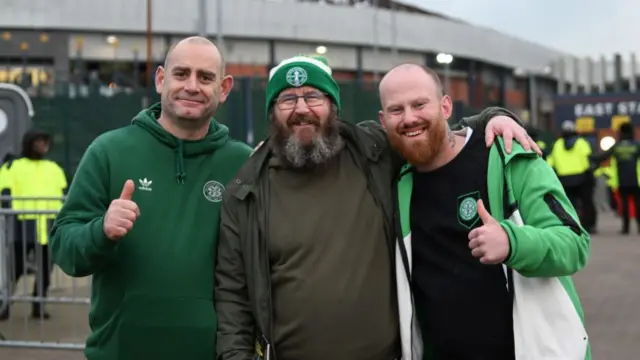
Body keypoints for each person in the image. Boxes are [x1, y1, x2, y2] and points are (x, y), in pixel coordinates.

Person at [214, 55, 538, 360]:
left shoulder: (373, 154)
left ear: (333, 106)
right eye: (287, 100)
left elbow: (428, 130)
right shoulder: (246, 192)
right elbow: (233, 297)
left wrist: (492, 117)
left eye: (313, 96)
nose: (302, 109)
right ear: (272, 113)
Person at [49, 36, 252, 360]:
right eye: (181, 73)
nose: (192, 86)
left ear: (224, 88)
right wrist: (100, 231)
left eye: (205, 77)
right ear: (161, 79)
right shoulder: (109, 151)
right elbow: (63, 249)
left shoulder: (244, 164)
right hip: (120, 352)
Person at [379, 63, 590, 360]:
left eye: (419, 104)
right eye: (396, 109)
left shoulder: (509, 157)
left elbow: (575, 244)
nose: (409, 118)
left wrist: (512, 242)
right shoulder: (396, 182)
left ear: (446, 106)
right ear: (383, 119)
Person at [0, 130, 67, 320]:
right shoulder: (12, 166)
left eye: (45, 142)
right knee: (15, 269)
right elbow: (4, 194)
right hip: (21, 225)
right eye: (38, 142)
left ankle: (38, 305)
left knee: (45, 270)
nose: (43, 145)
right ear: (28, 143)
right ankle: (4, 305)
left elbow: (62, 194)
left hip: (48, 226)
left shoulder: (54, 168)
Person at [547, 120, 596, 233]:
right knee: (586, 203)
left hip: (564, 179)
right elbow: (588, 159)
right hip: (582, 178)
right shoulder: (581, 142)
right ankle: (589, 226)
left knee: (569, 204)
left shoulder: (557, 144)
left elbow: (550, 162)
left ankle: (572, 226)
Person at [606, 122, 640, 233]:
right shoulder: (637, 145)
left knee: (624, 205)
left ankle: (625, 229)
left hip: (622, 181)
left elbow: (603, 156)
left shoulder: (617, 146)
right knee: (638, 204)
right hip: (637, 180)